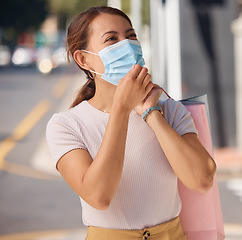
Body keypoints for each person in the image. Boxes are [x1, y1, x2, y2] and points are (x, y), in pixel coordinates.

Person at [46, 6, 216, 240]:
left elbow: (202, 179)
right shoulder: (66, 126)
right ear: (83, 59)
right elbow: (98, 196)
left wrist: (152, 114)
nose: (126, 45)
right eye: (112, 39)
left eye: (131, 36)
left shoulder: (170, 110)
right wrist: (121, 109)